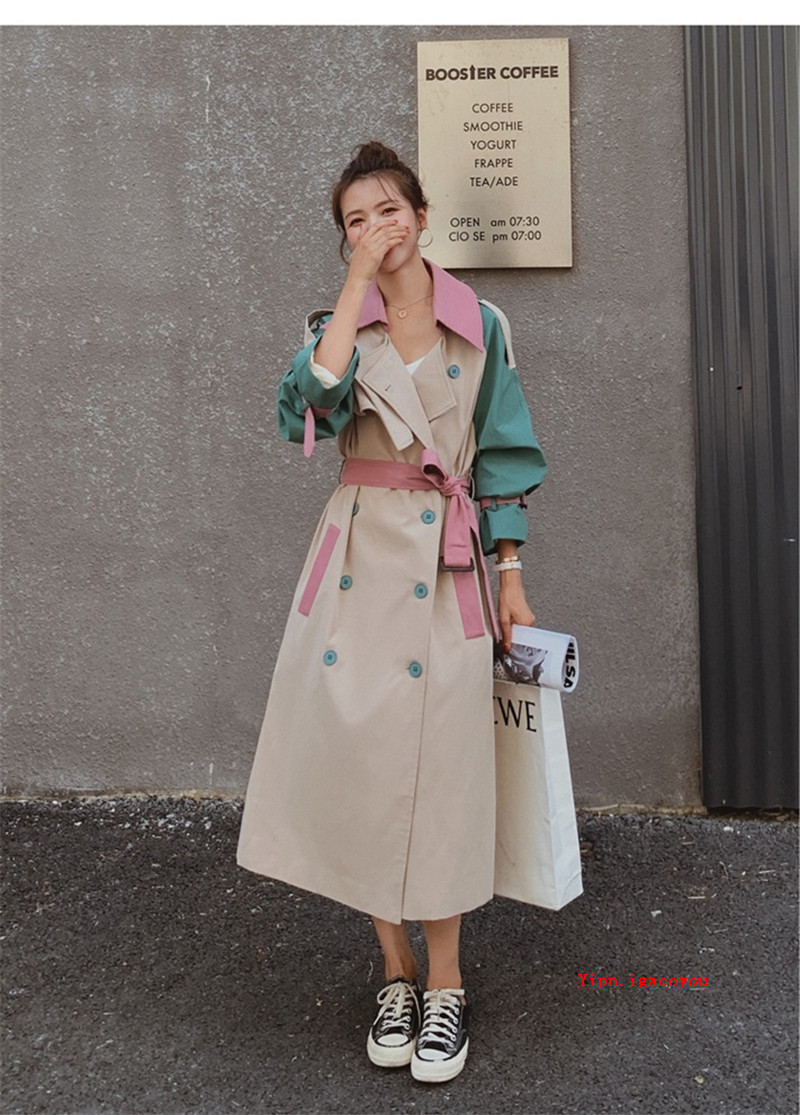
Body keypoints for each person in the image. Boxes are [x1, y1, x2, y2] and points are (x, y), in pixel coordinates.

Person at [237, 140, 547, 1084]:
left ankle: (445, 984)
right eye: (355, 221)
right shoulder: (335, 326)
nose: (376, 228)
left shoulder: (480, 322)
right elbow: (307, 409)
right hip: (359, 563)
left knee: (444, 771)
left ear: (421, 214)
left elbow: (502, 453)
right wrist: (352, 291)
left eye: (388, 210)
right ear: (345, 239)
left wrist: (510, 574)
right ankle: (395, 971)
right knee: (366, 765)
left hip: (449, 566)